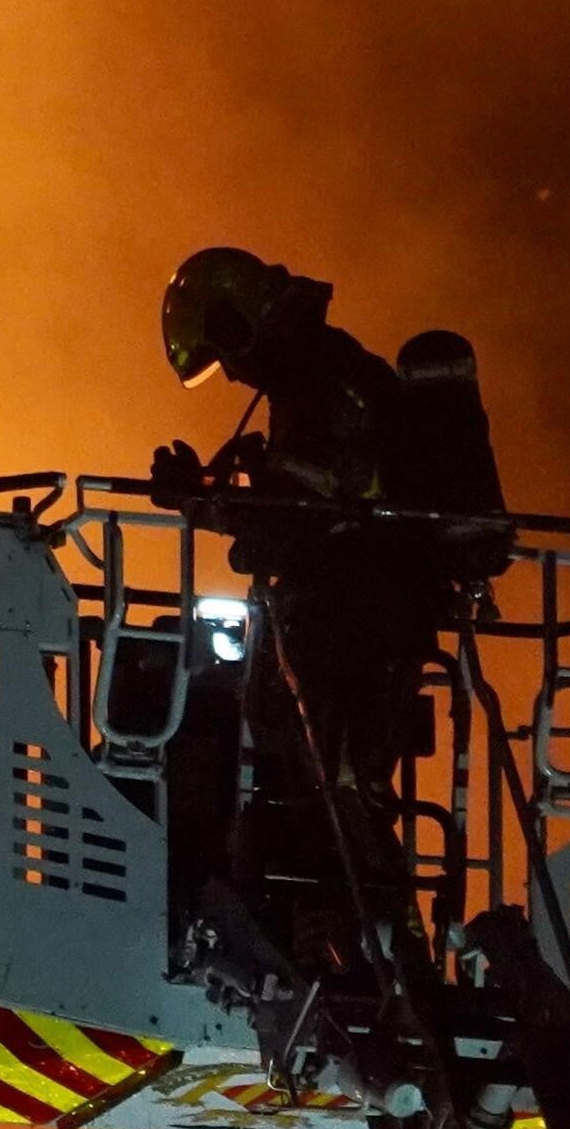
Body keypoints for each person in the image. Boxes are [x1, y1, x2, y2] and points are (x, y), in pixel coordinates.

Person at [148, 245, 513, 999]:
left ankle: (393, 955)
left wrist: (204, 500)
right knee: (306, 765)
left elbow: (305, 511)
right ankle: (319, 926)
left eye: (225, 354)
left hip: (363, 608)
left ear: (239, 319)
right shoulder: (312, 376)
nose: (236, 374)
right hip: (343, 607)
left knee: (348, 779)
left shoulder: (322, 374)